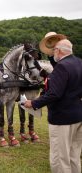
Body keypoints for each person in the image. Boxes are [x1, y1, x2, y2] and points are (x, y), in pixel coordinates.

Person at [23, 37, 82, 173]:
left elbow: (54, 94)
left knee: (60, 158)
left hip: (62, 119)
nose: (53, 52)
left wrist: (33, 102)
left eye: (54, 49)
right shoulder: (79, 63)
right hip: (78, 116)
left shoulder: (61, 67)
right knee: (74, 155)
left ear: (59, 51)